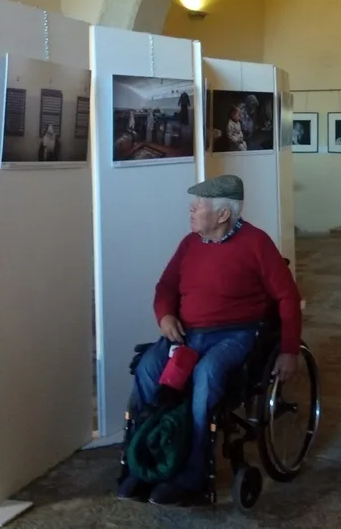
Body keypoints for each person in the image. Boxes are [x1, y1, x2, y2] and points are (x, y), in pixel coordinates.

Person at [118, 174, 302, 506]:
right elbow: (166, 288)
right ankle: (142, 465)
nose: (192, 208)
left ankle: (193, 477)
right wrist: (165, 316)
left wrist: (289, 349)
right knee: (147, 369)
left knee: (207, 375)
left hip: (235, 334)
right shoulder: (190, 243)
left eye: (199, 204)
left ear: (222, 214)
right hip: (186, 332)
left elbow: (288, 297)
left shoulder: (256, 244)